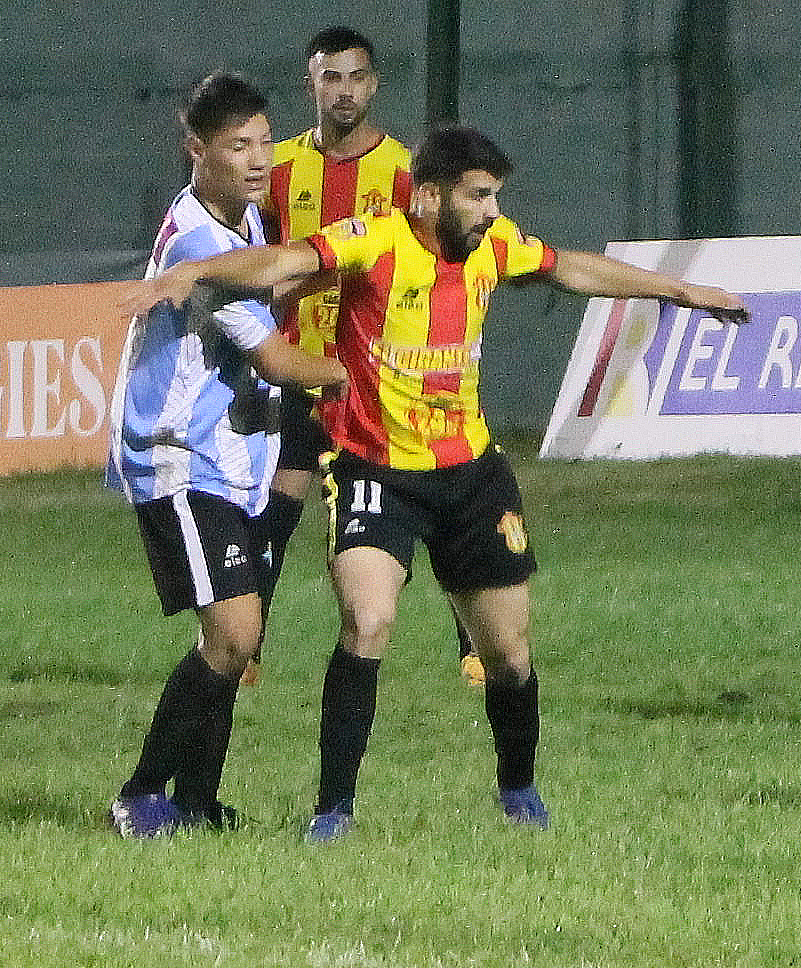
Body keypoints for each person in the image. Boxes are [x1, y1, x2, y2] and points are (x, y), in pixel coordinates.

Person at [119, 125, 751, 844]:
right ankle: (333, 811)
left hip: (471, 476)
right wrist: (196, 271)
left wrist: (680, 291)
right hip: (374, 469)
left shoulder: (494, 247)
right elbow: (286, 260)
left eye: (494, 196)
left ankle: (518, 790)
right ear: (427, 196)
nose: (491, 211)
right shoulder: (376, 240)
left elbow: (572, 269)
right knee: (367, 622)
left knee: (508, 653)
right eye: (477, 196)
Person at [106, 72, 349, 837]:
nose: (258, 159)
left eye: (264, 142)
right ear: (196, 149)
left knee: (230, 637)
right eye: (238, 146)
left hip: (231, 457)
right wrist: (358, 373)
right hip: (177, 455)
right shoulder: (200, 242)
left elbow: (273, 294)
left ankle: (196, 801)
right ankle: (140, 794)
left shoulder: (239, 223)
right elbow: (277, 360)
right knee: (237, 632)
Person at [257, 27, 484, 688]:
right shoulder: (278, 169)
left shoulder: (408, 172)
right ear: (310, 84)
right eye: (331, 77)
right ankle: (248, 648)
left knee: (435, 509)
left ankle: (472, 646)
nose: (345, 91)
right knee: (275, 512)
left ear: (374, 84)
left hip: (385, 381)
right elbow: (264, 255)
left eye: (356, 77)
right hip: (304, 371)